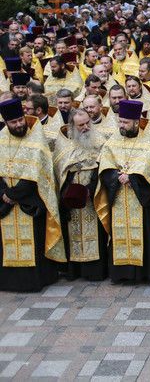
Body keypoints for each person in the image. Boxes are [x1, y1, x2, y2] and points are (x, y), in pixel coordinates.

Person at [95, 99, 150, 283]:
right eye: (120, 121)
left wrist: (133, 177)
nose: (121, 125)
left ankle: (144, 273)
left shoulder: (149, 142)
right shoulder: (113, 140)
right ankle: (121, 274)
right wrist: (115, 175)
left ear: (136, 122)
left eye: (125, 122)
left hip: (140, 199)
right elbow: (104, 164)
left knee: (144, 234)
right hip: (118, 196)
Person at [0, 98, 66, 291]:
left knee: (35, 243)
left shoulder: (36, 139)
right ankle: (8, 281)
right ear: (6, 123)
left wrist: (14, 194)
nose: (19, 124)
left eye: (21, 119)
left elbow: (37, 173)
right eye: (14, 122)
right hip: (4, 204)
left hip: (30, 202)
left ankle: (37, 280)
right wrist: (4, 193)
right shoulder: (1, 139)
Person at [53, 108, 108, 281]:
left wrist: (91, 189)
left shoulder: (100, 141)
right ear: (72, 126)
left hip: (93, 198)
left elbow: (104, 167)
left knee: (96, 234)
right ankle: (74, 270)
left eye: (87, 123)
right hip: (71, 199)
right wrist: (69, 190)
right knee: (72, 233)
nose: (85, 127)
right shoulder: (64, 143)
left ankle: (95, 271)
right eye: (80, 125)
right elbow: (59, 171)